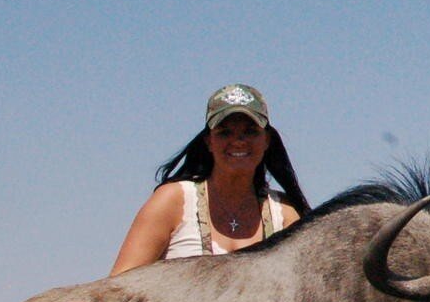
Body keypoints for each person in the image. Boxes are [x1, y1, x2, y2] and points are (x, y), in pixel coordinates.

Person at [109, 84, 312, 274]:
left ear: (267, 140)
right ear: (209, 141)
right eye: (225, 133)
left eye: (250, 132)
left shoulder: (284, 215)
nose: (238, 141)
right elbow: (118, 290)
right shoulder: (173, 201)